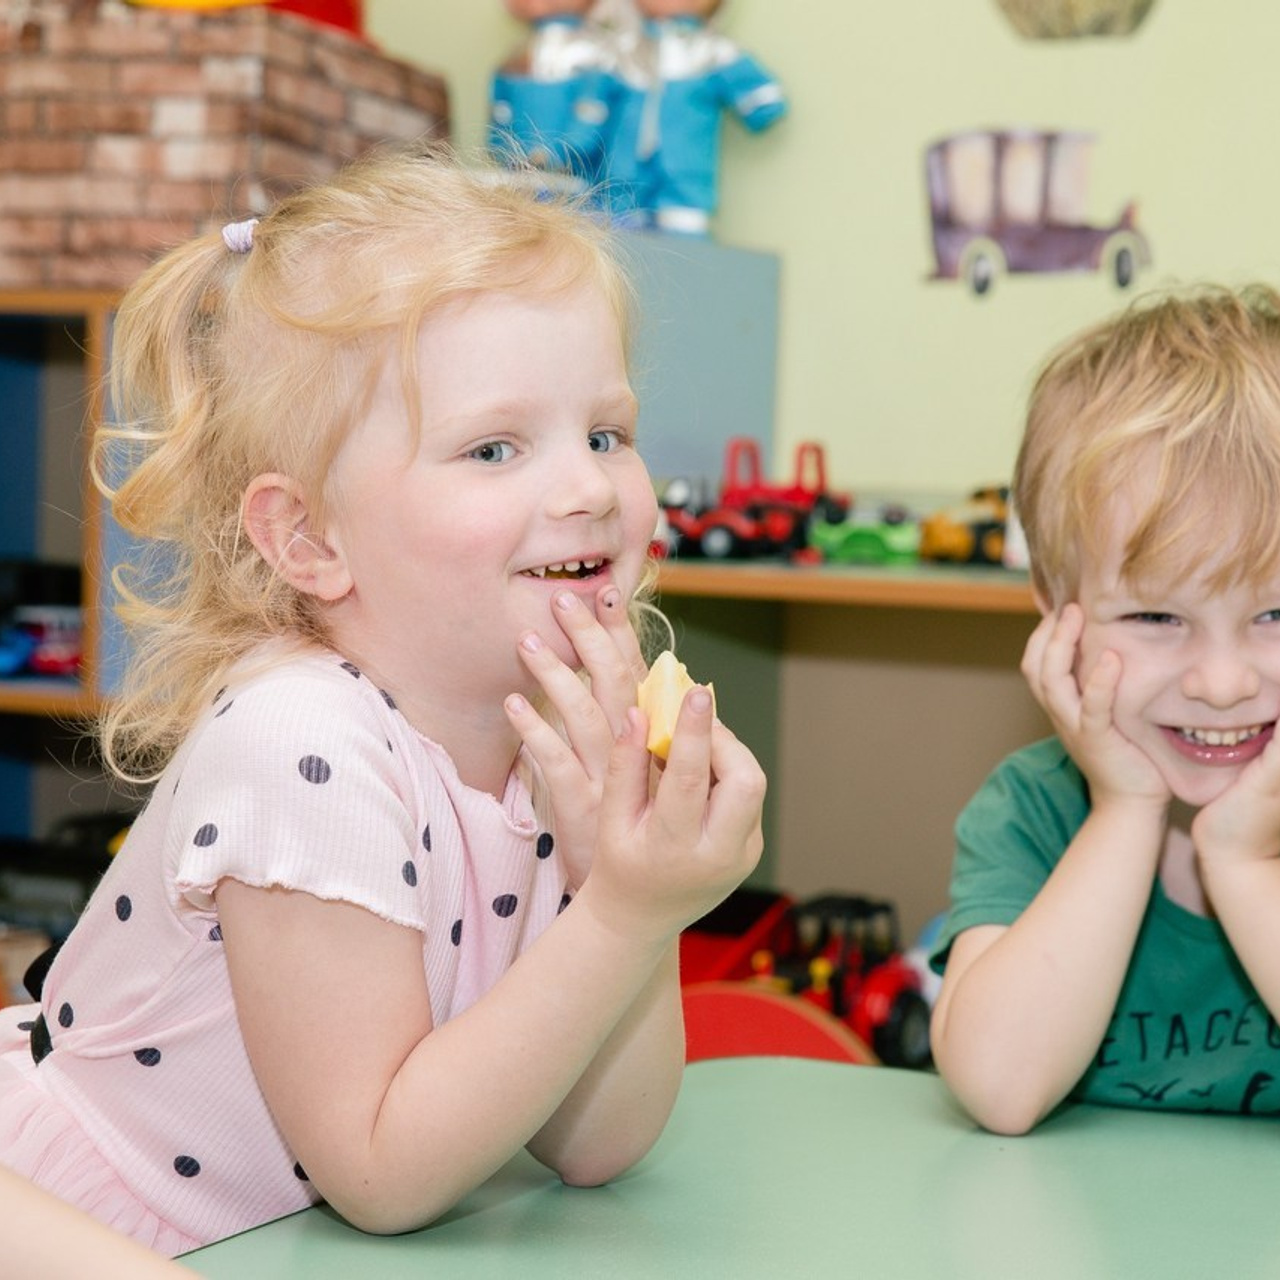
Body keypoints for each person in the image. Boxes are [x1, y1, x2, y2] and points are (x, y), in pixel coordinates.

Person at [0, 144, 766, 1253]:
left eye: (607, 433)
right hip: (81, 1221)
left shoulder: (545, 728)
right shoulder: (298, 740)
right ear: (309, 537)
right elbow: (378, 1169)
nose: (590, 486)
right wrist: (623, 915)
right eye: (493, 447)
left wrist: (624, 888)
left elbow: (598, 1141)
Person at [929, 283, 1280, 1133]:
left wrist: (1241, 865)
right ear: (1059, 609)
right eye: (1158, 618)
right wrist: (1125, 809)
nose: (1223, 683)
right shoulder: (1034, 810)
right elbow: (1000, 1090)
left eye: (1276, 614)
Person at [611, 0, 787, 234]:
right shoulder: (625, 49)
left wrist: (760, 102)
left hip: (684, 163)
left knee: (683, 220)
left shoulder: (708, 49)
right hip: (623, 166)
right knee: (616, 218)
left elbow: (760, 96)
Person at [488, 0, 619, 197]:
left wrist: (558, 157)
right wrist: (510, 153)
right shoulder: (517, 59)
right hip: (518, 177)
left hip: (575, 183)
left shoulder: (594, 57)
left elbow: (589, 121)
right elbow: (500, 119)